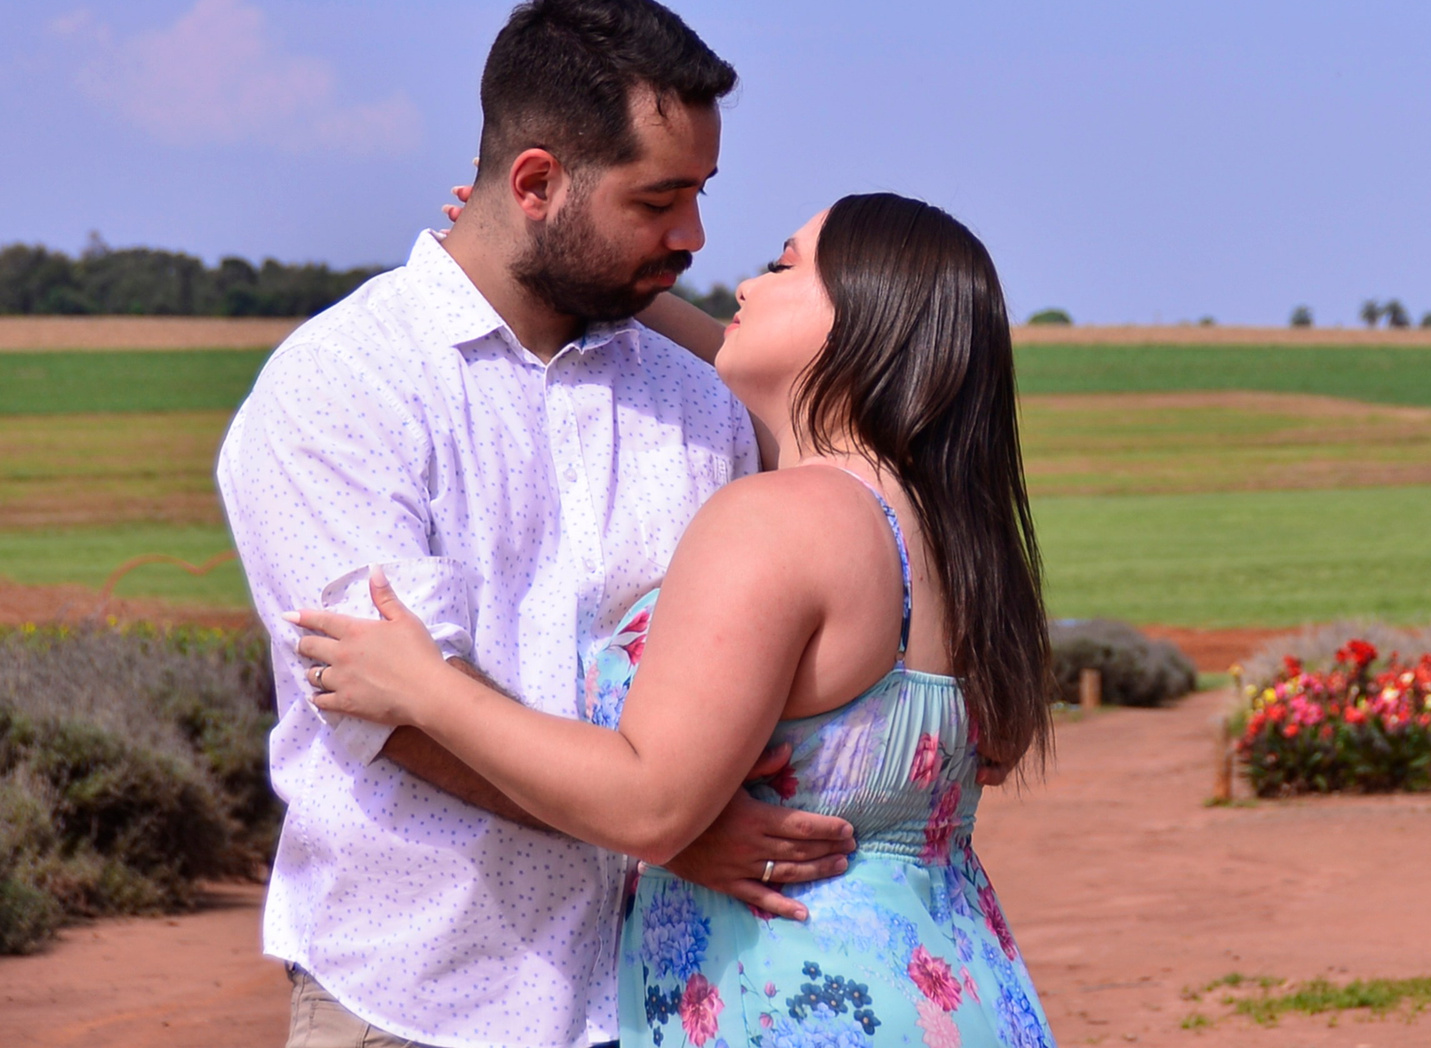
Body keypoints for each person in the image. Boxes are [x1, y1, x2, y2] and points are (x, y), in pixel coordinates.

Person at [217, 0, 855, 1048]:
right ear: (536, 181)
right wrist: (661, 826)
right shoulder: (340, 384)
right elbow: (393, 709)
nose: (696, 231)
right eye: (658, 200)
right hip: (419, 998)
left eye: (701, 190)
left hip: (676, 996)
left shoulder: (698, 399)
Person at [292, 193, 1058, 1048]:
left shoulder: (776, 520)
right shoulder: (948, 534)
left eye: (782, 265)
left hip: (789, 1000)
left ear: (864, 321)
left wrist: (424, 689)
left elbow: (648, 802)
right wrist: (602, 270)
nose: (742, 283)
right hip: (950, 989)